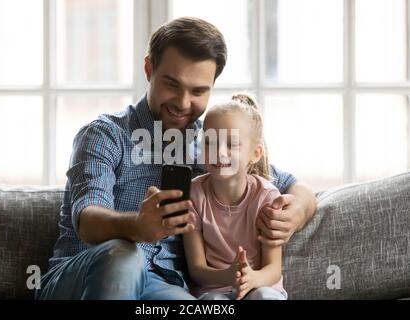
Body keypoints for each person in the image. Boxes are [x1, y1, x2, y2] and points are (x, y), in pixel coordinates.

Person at [35, 17, 316, 300]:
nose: (183, 103)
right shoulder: (106, 134)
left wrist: (297, 212)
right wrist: (137, 227)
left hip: (161, 285)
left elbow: (296, 187)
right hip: (83, 277)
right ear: (149, 69)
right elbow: (87, 219)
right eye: (172, 85)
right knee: (124, 254)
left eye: (197, 91)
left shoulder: (210, 148)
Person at [183, 94, 287, 300]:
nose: (220, 152)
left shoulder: (266, 196)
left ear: (255, 154)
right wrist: (228, 276)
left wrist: (251, 278)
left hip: (260, 286)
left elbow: (273, 269)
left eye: (232, 144)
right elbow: (196, 269)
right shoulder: (193, 194)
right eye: (210, 143)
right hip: (214, 290)